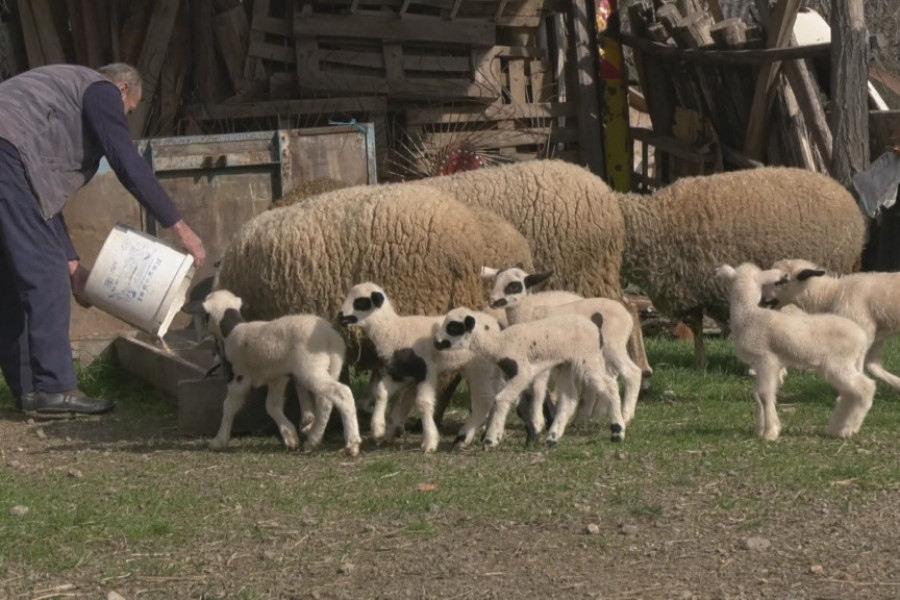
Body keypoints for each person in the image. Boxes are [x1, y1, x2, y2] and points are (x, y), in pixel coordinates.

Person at [0, 63, 206, 417]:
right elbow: (125, 159)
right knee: (46, 275)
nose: (123, 116)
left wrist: (74, 265)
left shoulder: (54, 102)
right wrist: (179, 226)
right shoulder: (99, 89)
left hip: (10, 161)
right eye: (129, 110)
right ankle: (54, 388)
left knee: (11, 277)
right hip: (7, 156)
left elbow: (42, 200)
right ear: (124, 89)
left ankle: (30, 391)